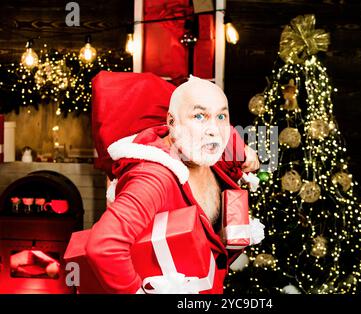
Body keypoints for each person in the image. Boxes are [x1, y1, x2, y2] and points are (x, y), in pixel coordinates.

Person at [85, 76, 260, 293]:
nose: (214, 129)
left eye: (221, 116)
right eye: (199, 116)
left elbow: (229, 137)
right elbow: (104, 246)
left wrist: (246, 152)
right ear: (171, 122)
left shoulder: (209, 152)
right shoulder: (153, 178)